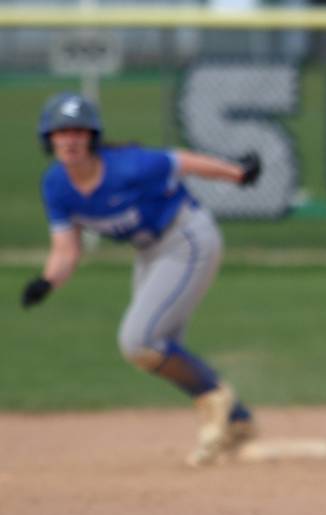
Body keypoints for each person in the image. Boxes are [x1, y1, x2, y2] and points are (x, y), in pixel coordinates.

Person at [21, 92, 263, 467]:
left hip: (187, 238)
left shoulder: (128, 166)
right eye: (60, 132)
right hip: (151, 252)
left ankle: (218, 399)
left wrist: (237, 173)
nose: (69, 139)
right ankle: (237, 420)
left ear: (92, 137)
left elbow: (183, 161)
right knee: (156, 347)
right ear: (48, 139)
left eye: (78, 131)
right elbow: (67, 250)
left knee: (140, 341)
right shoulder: (56, 184)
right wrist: (47, 282)